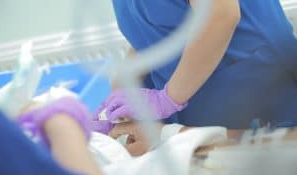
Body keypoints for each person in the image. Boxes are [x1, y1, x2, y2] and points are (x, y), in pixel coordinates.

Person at [93, 0, 297, 136]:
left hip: (259, 94)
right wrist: (124, 83)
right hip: (202, 110)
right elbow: (158, 24)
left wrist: (167, 101)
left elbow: (221, 15)